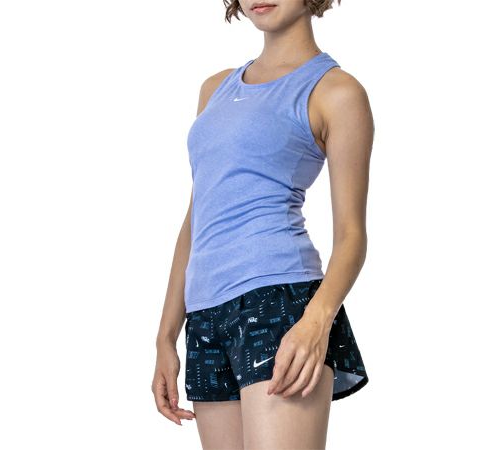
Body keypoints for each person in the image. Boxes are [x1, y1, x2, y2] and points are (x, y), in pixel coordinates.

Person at [152, 0, 374, 447]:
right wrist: (166, 336)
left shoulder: (335, 91)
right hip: (206, 315)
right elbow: (198, 217)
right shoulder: (214, 88)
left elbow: (352, 235)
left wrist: (316, 322)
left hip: (279, 304)